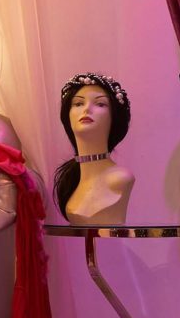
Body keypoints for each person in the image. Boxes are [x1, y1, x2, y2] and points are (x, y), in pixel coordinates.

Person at [52, 73, 134, 225]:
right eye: (78, 104)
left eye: (100, 104)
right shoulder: (72, 183)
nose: (87, 109)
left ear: (114, 117)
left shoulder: (120, 180)